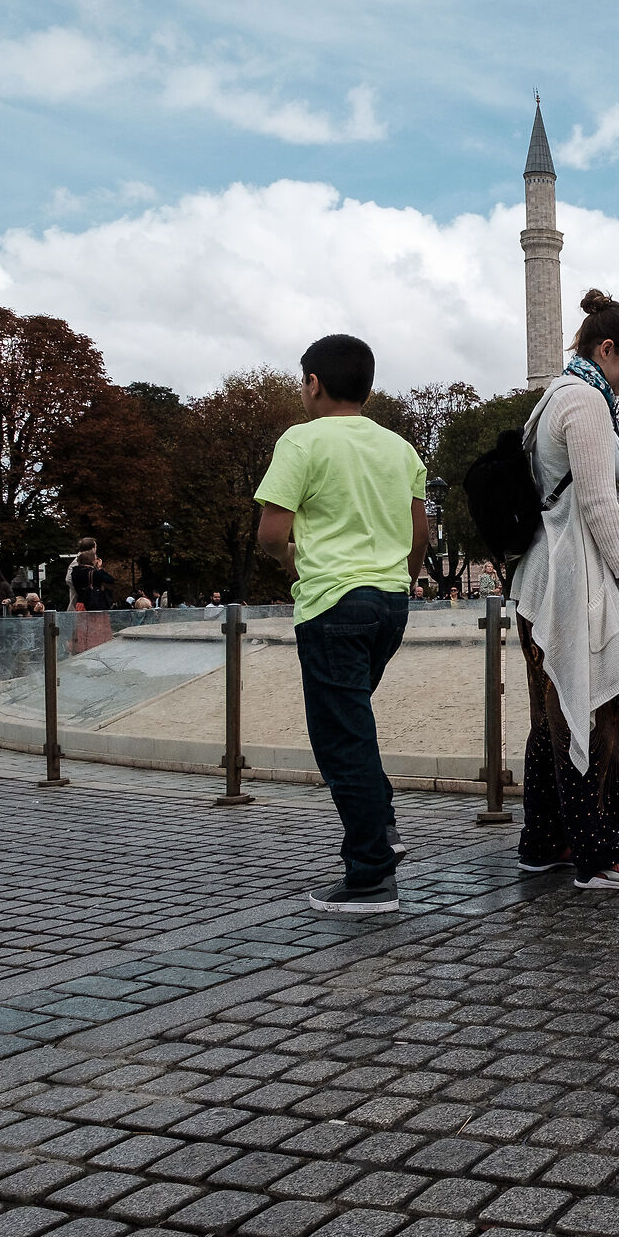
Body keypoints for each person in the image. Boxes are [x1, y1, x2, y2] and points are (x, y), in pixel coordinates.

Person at [256, 333, 429, 914]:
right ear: (369, 387)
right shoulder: (400, 449)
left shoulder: (301, 442)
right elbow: (418, 535)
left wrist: (291, 563)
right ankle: (384, 830)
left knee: (341, 739)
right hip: (390, 602)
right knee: (354, 725)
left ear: (313, 383)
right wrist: (399, 576)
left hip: (332, 601)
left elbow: (271, 534)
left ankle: (370, 875)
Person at [513, 291, 619, 890]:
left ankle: (544, 841)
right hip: (575, 581)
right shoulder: (584, 402)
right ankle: (598, 856)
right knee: (595, 716)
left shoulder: (555, 395)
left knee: (555, 720)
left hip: (546, 577)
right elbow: (600, 501)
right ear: (607, 349)